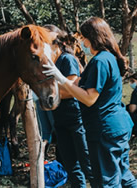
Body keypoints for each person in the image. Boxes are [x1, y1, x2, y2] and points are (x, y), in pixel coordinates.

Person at [42, 17, 137, 187]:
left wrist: (60, 78)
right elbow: (81, 85)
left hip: (105, 129)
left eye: (83, 37)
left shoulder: (100, 61)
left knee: (106, 181)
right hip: (118, 125)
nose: (82, 42)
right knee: (124, 175)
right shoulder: (107, 58)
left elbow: (89, 98)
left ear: (91, 37)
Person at [44, 24, 96, 188]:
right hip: (59, 120)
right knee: (70, 164)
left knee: (87, 162)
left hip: (75, 118)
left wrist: (51, 93)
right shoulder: (50, 62)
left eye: (50, 41)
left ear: (58, 42)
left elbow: (72, 88)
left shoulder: (67, 59)